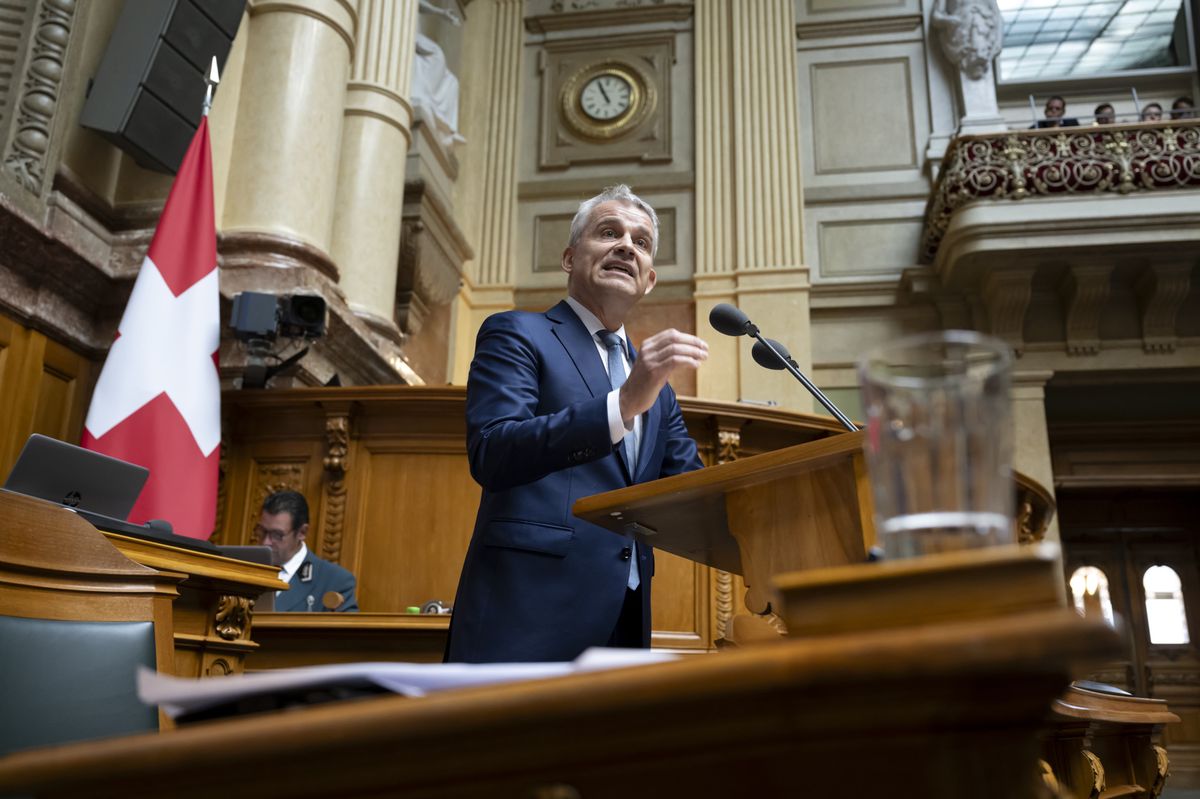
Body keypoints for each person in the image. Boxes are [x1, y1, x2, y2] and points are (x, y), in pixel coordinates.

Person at [446, 185, 708, 663]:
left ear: (649, 280)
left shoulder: (658, 386)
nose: (627, 246)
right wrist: (624, 403)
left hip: (625, 620)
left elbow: (695, 493)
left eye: (641, 242)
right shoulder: (516, 333)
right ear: (570, 258)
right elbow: (494, 450)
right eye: (609, 233)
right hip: (525, 613)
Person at [256, 490, 358, 612]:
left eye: (277, 535)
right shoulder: (245, 567)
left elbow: (344, 630)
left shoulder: (335, 581)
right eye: (262, 531)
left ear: (302, 532)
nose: (266, 542)